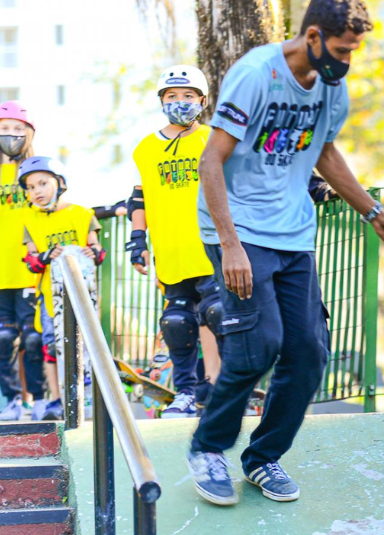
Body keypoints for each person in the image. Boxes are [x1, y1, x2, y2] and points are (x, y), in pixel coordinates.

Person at [187, 0, 384, 506]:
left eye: (354, 51)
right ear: (312, 37)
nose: (347, 62)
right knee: (260, 343)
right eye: (340, 50)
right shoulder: (256, 75)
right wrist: (229, 245)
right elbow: (212, 159)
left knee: (310, 351)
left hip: (291, 231)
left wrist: (373, 212)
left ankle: (262, 457)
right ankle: (207, 448)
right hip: (237, 226)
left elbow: (326, 153)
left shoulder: (333, 88)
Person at [126, 65, 223, 416]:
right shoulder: (146, 149)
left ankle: (215, 388)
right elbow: (139, 198)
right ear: (161, 101)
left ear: (202, 100)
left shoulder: (213, 138)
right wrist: (138, 240)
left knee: (217, 314)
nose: (179, 102)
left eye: (187, 96)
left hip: (213, 247)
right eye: (171, 96)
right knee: (177, 322)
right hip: (171, 251)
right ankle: (185, 392)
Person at [18, 156, 106, 421]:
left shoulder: (81, 214)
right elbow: (31, 260)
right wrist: (45, 257)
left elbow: (97, 249)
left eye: (43, 183)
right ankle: (56, 399)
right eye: (31, 187)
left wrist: (94, 253)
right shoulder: (30, 220)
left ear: (59, 183)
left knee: (85, 342)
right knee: (51, 345)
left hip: (82, 292)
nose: (37, 192)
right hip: (50, 295)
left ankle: (85, 394)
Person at [0, 101, 46, 421]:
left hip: (30, 270)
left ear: (29, 134)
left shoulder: (37, 171)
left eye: (18, 129)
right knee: (3, 340)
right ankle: (12, 400)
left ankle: (41, 400)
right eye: (4, 129)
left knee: (33, 338)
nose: (11, 135)